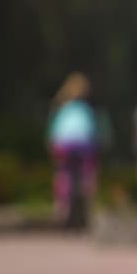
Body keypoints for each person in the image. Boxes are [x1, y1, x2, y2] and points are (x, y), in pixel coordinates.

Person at [47, 73, 100, 229]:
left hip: (64, 146)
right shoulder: (86, 110)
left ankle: (62, 207)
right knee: (87, 177)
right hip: (83, 145)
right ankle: (88, 208)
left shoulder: (62, 108)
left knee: (64, 175)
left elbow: (54, 134)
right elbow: (93, 132)